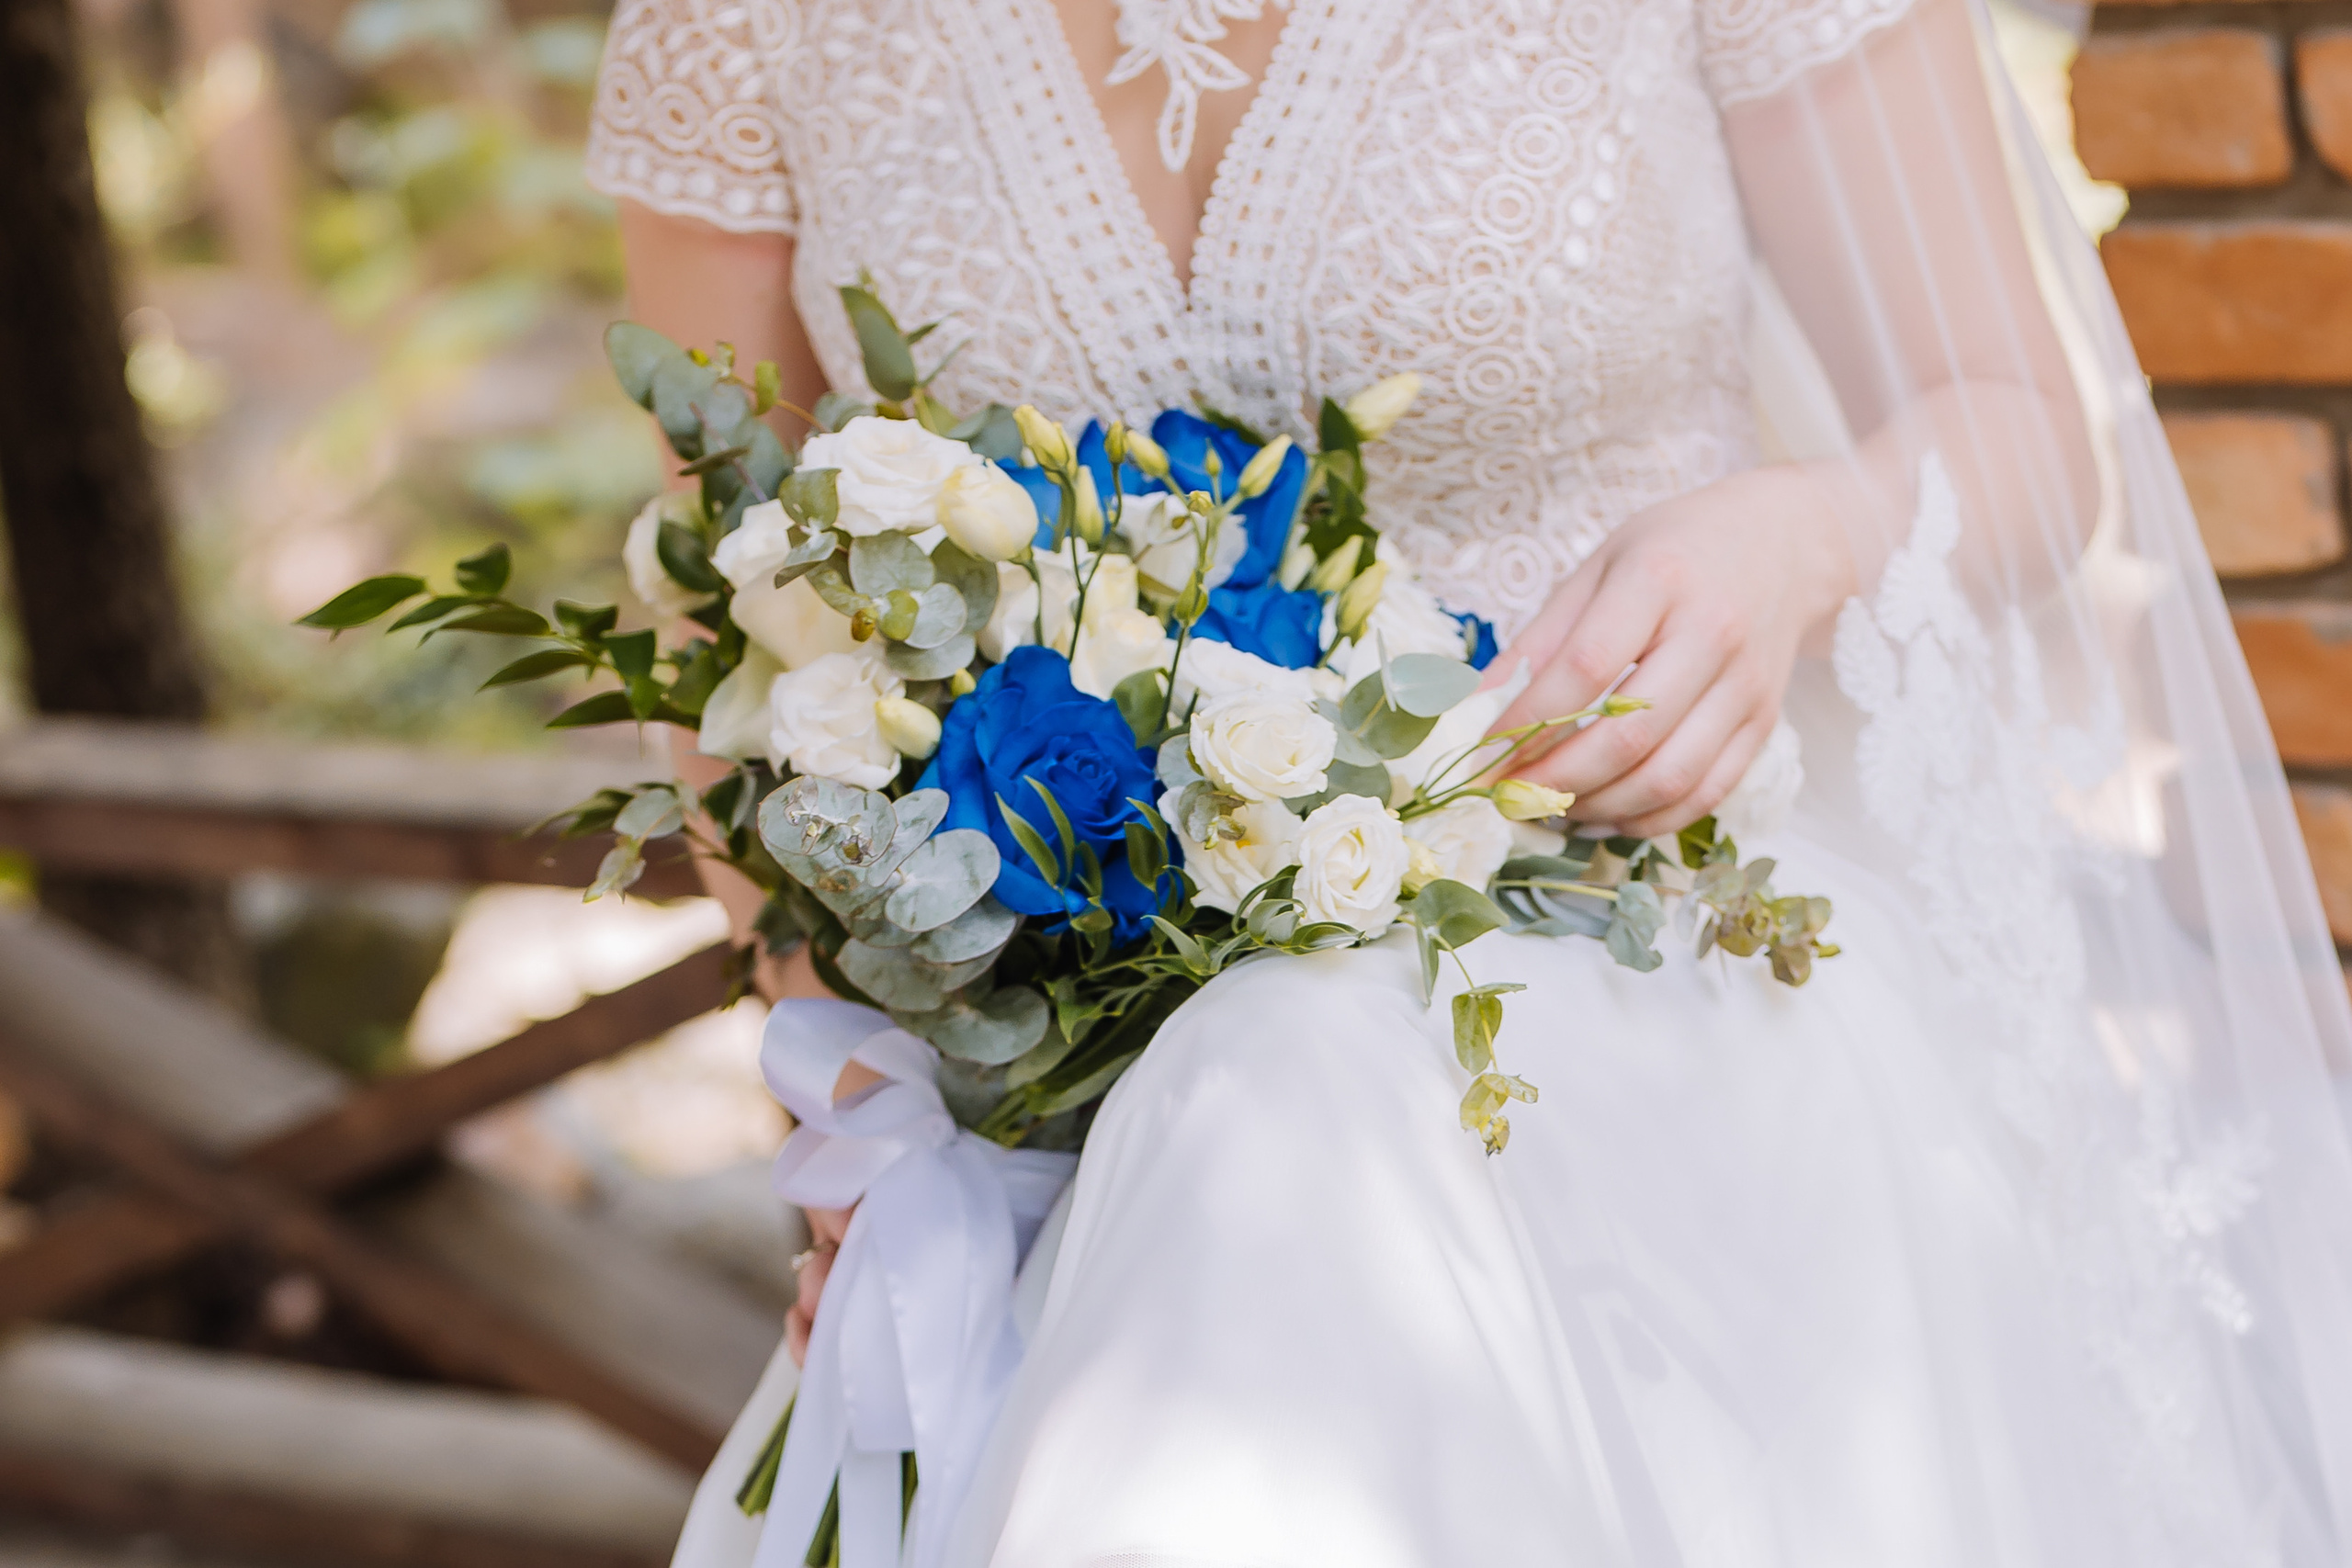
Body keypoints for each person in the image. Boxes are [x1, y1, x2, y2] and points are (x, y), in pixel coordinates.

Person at [591, 0, 2352, 1562]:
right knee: (1237, 1114)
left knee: (1272, 1096)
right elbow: (728, 581)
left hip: (1674, 938)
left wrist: (1806, 534)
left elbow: (2019, 429)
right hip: (1054, 1072)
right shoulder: (746, 23)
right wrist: (850, 1102)